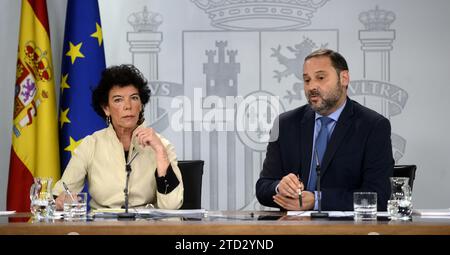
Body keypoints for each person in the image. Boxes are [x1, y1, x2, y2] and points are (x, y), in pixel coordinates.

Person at [256, 49, 393, 211]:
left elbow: (378, 196)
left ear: (344, 78)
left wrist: (317, 200)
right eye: (307, 80)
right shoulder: (285, 124)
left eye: (320, 78)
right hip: (294, 230)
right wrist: (279, 187)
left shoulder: (373, 126)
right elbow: (263, 187)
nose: (312, 86)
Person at [53, 64, 183, 210]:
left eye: (134, 98)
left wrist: (160, 152)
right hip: (102, 229)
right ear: (106, 108)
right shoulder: (91, 144)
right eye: (118, 100)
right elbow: (63, 193)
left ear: (141, 105)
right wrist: (63, 199)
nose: (128, 106)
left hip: (145, 227)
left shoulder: (161, 145)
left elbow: (172, 206)